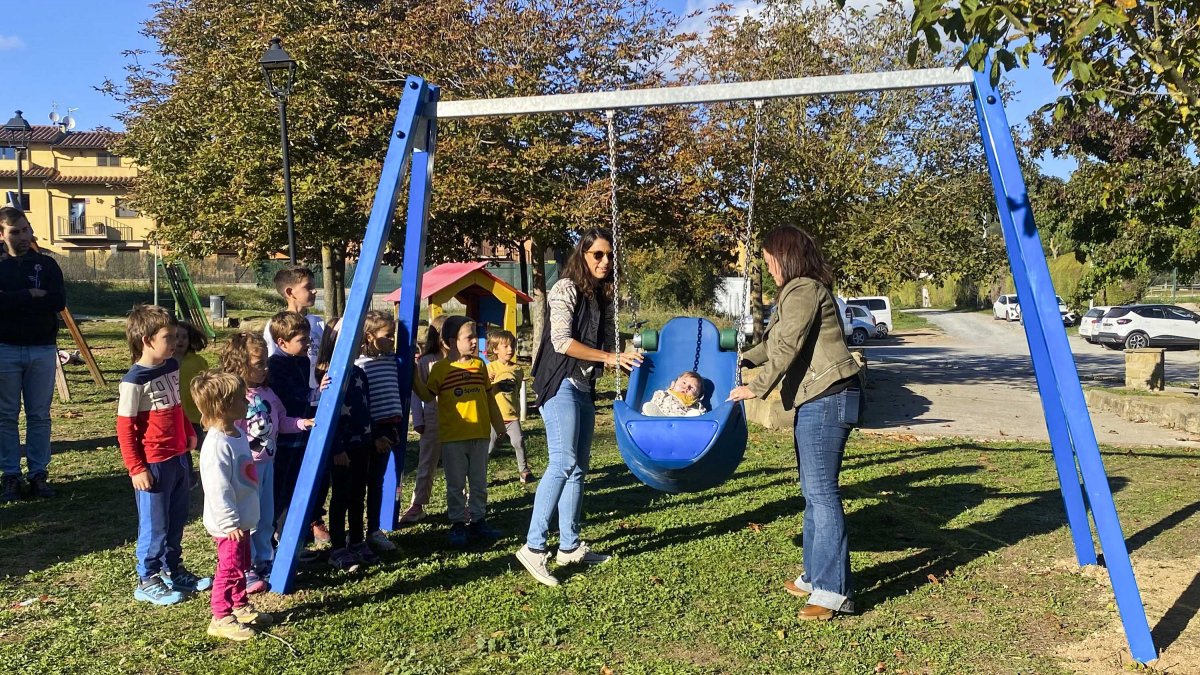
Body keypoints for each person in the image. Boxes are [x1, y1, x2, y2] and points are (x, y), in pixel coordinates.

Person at [728, 225, 863, 621]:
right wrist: (741, 358)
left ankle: (834, 592)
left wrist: (757, 386)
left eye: (768, 257)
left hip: (828, 396)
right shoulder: (799, 292)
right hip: (819, 397)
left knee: (822, 493)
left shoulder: (802, 289)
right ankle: (814, 576)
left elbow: (788, 347)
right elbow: (774, 343)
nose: (767, 266)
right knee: (812, 490)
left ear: (783, 255)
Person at [515, 228, 641, 587]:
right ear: (582, 256)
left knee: (578, 469)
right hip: (560, 382)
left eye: (609, 255)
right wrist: (611, 357)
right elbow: (562, 341)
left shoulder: (602, 297)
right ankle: (534, 547)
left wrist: (633, 352)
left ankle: (569, 546)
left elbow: (612, 340)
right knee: (562, 461)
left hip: (584, 384)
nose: (604, 261)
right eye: (597, 255)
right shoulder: (565, 289)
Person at [116, 304, 210, 605]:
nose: (175, 343)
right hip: (154, 464)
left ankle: (173, 569)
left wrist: (188, 433)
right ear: (147, 340)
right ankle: (148, 578)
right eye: (168, 337)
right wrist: (136, 468)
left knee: (177, 517)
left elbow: (177, 406)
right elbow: (125, 429)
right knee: (154, 523)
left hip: (179, 457)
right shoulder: (133, 382)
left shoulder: (171, 366)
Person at [220, 331, 314, 593]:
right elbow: (228, 431)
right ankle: (245, 567)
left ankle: (264, 560)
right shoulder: (234, 398)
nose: (264, 368)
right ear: (239, 364)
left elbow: (281, 421)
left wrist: (301, 424)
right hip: (245, 469)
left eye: (264, 363)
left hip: (268, 465)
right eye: (258, 364)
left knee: (266, 516)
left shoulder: (268, 393)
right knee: (248, 518)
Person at [192, 369, 274, 641]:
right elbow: (218, 488)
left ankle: (239, 606)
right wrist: (229, 523)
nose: (247, 403)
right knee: (228, 568)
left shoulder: (236, 434)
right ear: (223, 406)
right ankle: (220, 616)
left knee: (241, 564)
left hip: (243, 519)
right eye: (241, 399)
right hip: (230, 524)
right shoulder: (216, 445)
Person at [413, 315, 507, 547]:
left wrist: (499, 426)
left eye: (476, 336)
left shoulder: (479, 366)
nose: (476, 341)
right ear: (449, 342)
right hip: (453, 438)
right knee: (455, 484)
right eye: (470, 337)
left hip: (479, 435)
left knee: (479, 482)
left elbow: (489, 397)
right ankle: (457, 523)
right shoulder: (441, 369)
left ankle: (478, 521)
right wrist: (412, 376)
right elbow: (426, 396)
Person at [0, 206, 66, 501]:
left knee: (39, 415)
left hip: (41, 348)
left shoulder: (46, 266)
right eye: (16, 231)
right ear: (2, 234)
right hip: (6, 349)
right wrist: (28, 296)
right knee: (6, 416)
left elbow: (57, 301)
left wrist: (11, 302)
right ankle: (10, 476)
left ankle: (39, 474)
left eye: (26, 229)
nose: (24, 236)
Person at [314, 319, 377, 571]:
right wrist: (337, 448)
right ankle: (338, 548)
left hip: (363, 443)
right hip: (342, 448)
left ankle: (357, 541)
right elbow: (326, 413)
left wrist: (372, 437)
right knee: (341, 496)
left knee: (357, 495)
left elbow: (366, 408)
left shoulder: (359, 372)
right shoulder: (326, 375)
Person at [354, 310, 406, 552]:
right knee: (363, 482)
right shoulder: (360, 365)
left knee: (377, 481)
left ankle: (373, 530)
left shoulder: (393, 360)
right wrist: (374, 435)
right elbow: (360, 404)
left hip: (391, 426)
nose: (392, 340)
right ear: (369, 336)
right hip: (369, 429)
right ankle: (356, 534)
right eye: (387, 335)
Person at [266, 311, 317, 545]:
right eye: (302, 340)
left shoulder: (303, 360)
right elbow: (290, 395)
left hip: (300, 431)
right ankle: (272, 537)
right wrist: (315, 393)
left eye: (308, 339)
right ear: (282, 342)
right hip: (283, 436)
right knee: (279, 490)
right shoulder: (275, 365)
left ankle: (294, 536)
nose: (307, 344)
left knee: (296, 486)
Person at [399, 315, 447, 524]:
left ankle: (461, 503)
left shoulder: (459, 360)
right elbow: (418, 393)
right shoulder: (427, 361)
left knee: (459, 463)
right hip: (432, 419)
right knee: (427, 462)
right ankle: (417, 504)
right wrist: (417, 420)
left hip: (458, 421)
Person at [485, 329, 534, 484]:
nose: (510, 350)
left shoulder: (517, 369)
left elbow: (517, 391)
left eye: (512, 346)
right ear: (495, 350)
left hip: (512, 417)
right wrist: (488, 380)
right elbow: (483, 390)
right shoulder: (490, 368)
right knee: (489, 449)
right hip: (494, 417)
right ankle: (480, 475)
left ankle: (524, 471)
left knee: (519, 442)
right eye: (505, 346)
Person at [175, 321, 209, 441]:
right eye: (176, 336)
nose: (180, 340)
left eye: (184, 337)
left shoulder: (198, 361)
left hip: (195, 415)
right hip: (174, 416)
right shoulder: (163, 361)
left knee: (199, 443)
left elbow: (208, 383)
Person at [641, 371, 706, 417]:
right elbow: (654, 403)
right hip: (661, 415)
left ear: (697, 397)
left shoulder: (696, 405)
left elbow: (703, 415)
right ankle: (657, 418)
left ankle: (686, 422)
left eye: (692, 388)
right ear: (673, 384)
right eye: (684, 383)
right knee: (649, 407)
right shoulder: (664, 394)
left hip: (680, 423)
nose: (686, 387)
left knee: (695, 413)